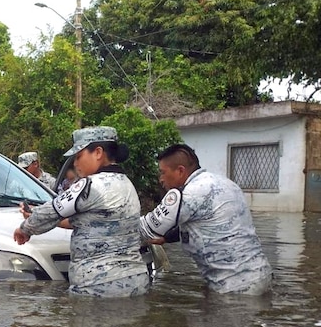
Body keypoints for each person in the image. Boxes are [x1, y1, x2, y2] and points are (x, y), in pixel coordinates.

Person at [14, 126, 150, 297]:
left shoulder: (90, 185)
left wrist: (25, 229)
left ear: (98, 153)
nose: (76, 164)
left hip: (98, 285)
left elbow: (53, 210)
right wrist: (34, 215)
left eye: (78, 156)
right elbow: (85, 223)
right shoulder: (127, 184)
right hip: (136, 281)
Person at [139, 144, 272, 295]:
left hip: (233, 286)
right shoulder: (227, 184)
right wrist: (166, 238)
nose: (160, 179)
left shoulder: (187, 194)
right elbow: (209, 225)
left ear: (180, 170)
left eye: (163, 173)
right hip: (261, 275)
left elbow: (146, 229)